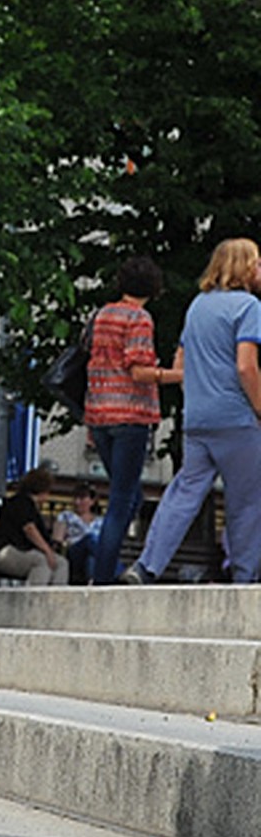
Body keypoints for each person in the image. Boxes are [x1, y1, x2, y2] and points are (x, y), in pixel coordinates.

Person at [123, 238, 261, 584]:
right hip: (237, 418)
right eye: (257, 263)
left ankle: (146, 567)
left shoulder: (197, 306)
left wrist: (202, 393)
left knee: (183, 493)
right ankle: (244, 579)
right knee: (245, 503)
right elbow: (246, 367)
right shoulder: (249, 307)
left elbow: (180, 364)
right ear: (242, 266)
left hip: (198, 419)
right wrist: (259, 407)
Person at [84, 256, 181, 583]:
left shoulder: (102, 315)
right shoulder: (140, 319)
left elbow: (95, 365)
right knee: (122, 499)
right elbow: (138, 371)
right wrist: (176, 375)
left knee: (129, 495)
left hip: (99, 416)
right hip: (130, 417)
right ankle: (102, 579)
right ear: (153, 287)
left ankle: (108, 568)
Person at [0, 465, 69, 585]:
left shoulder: (30, 506)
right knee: (41, 562)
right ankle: (33, 600)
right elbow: (29, 529)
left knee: (61, 563)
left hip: (17, 550)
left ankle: (54, 598)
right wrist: (47, 551)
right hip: (0, 550)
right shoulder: (22, 503)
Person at [51, 482, 101, 585]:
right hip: (74, 553)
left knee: (91, 558)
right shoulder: (66, 516)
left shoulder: (100, 522)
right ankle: (118, 571)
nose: (77, 502)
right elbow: (57, 540)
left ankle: (91, 585)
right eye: (75, 498)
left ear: (92, 501)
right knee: (90, 539)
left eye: (82, 498)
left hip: (93, 557)